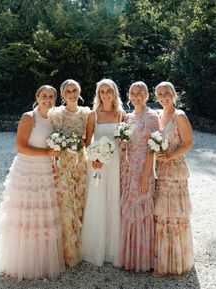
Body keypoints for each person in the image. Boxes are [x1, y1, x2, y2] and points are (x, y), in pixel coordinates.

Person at [0, 85, 64, 280]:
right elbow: (20, 146)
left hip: (45, 171)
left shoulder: (53, 118)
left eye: (51, 97)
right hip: (26, 170)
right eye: (44, 96)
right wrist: (47, 154)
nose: (48, 100)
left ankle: (41, 261)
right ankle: (22, 263)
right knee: (25, 216)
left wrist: (53, 160)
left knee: (42, 216)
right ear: (37, 97)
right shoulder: (29, 117)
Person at [81, 79, 124, 267]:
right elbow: (87, 142)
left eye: (109, 91)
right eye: (102, 91)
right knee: (97, 202)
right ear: (98, 94)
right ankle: (94, 248)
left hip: (115, 164)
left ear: (115, 93)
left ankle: (112, 250)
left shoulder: (122, 115)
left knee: (113, 200)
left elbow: (124, 139)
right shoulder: (93, 115)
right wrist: (94, 158)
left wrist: (122, 145)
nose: (106, 94)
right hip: (97, 165)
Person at [48, 79, 90, 266]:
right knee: (65, 203)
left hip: (80, 162)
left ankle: (82, 247)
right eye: (68, 91)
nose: (72, 94)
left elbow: (88, 140)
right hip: (63, 163)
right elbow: (51, 139)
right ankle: (66, 252)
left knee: (80, 201)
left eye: (75, 90)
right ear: (63, 94)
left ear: (79, 92)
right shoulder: (56, 114)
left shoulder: (86, 113)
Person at [154, 81, 194, 275]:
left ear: (173, 94)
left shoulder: (179, 116)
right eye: (159, 94)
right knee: (161, 214)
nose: (163, 96)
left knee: (174, 214)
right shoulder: (159, 116)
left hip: (175, 170)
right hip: (159, 171)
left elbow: (188, 144)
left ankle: (176, 260)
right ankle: (161, 257)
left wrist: (169, 156)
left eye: (166, 93)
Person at [120, 81, 159, 272]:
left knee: (141, 208)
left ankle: (142, 259)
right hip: (128, 168)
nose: (135, 96)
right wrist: (122, 144)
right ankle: (130, 257)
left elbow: (153, 149)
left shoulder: (151, 116)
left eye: (139, 93)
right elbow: (126, 143)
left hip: (143, 167)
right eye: (132, 93)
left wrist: (145, 176)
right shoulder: (128, 117)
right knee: (128, 207)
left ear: (146, 95)